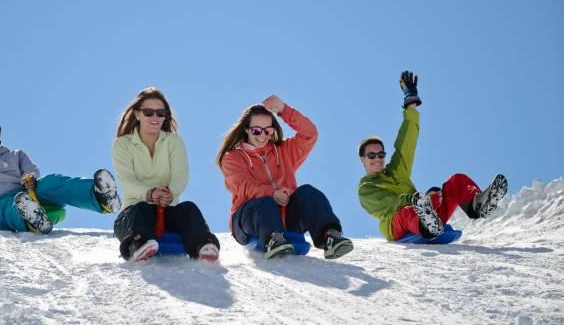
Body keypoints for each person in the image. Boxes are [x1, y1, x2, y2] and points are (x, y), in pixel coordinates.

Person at [357, 71, 508, 241]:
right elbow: (389, 202)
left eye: (380, 154)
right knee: (408, 211)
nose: (377, 158)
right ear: (362, 159)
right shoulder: (366, 188)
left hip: (425, 213)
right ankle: (426, 225)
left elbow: (407, 143)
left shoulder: (396, 171)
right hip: (396, 224)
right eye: (371, 155)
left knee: (456, 180)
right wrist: (415, 199)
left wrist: (411, 103)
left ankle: (478, 204)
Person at [217, 95, 354, 259]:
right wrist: (271, 193)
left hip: (286, 217)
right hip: (249, 219)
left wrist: (283, 110)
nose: (262, 135)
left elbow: (310, 133)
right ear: (246, 129)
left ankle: (329, 236)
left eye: (268, 130)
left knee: (307, 192)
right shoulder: (233, 157)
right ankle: (273, 239)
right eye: (256, 130)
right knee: (265, 202)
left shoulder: (282, 151)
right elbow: (243, 185)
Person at [111, 87, 220, 262]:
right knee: (141, 209)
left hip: (168, 208)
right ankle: (139, 245)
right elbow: (127, 180)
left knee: (188, 209)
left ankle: (203, 245)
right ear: (137, 114)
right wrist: (150, 193)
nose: (155, 118)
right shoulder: (122, 144)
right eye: (148, 112)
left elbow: (180, 175)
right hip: (135, 212)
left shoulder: (173, 141)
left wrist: (170, 192)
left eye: (160, 113)